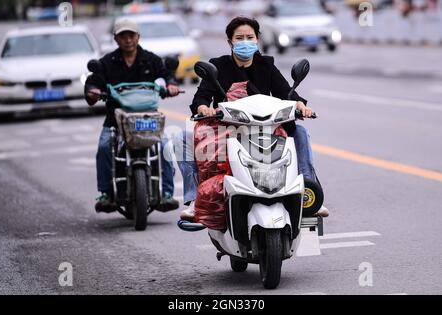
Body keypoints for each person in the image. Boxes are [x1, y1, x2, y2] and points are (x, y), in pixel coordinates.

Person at [175, 16, 329, 221]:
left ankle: (308, 195)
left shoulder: (266, 64)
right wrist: (204, 108)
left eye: (250, 37)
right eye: (240, 38)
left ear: (257, 40)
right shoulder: (218, 66)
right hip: (228, 130)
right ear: (230, 42)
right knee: (182, 138)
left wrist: (301, 105)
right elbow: (201, 97)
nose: (245, 42)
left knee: (299, 132)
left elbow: (286, 93)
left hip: (266, 127)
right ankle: (196, 200)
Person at [85, 19, 180, 213]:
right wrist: (93, 91)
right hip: (116, 120)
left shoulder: (152, 60)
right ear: (116, 39)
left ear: (138, 37)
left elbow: (166, 75)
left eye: (131, 35)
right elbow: (93, 82)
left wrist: (171, 85)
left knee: (164, 147)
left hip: (148, 120)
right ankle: (105, 193)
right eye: (123, 36)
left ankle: (167, 193)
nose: (127, 39)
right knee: (104, 147)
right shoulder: (107, 63)